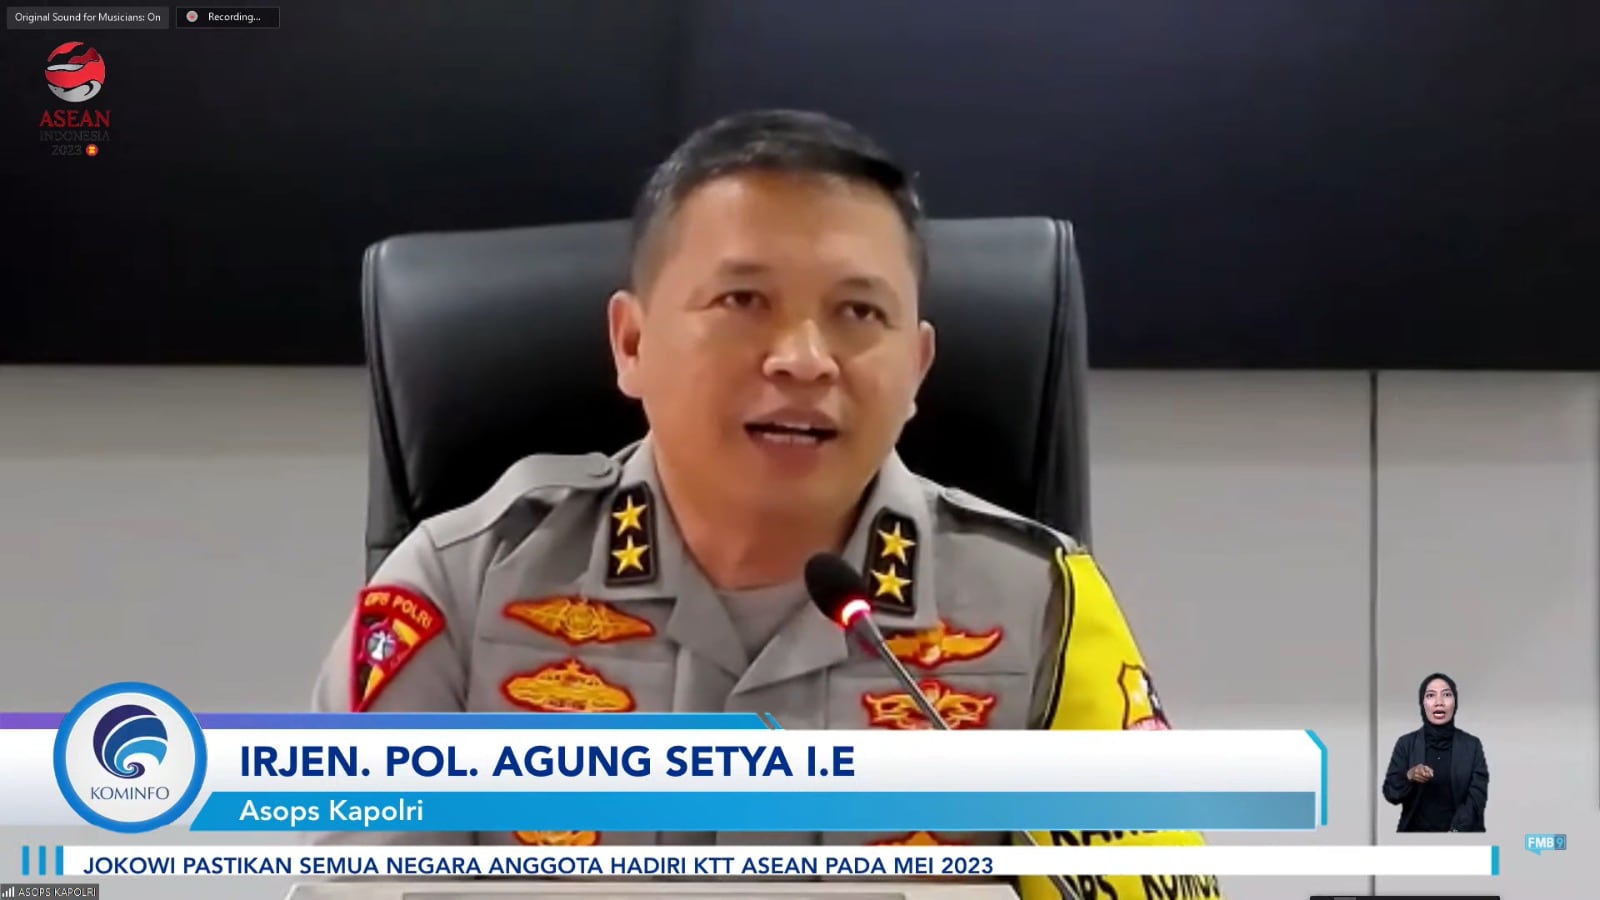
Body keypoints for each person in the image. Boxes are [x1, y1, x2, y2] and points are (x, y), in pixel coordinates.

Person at [311, 108, 1224, 900]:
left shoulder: (1043, 607)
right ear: (631, 343)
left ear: (916, 369)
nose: (803, 359)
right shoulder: (457, 587)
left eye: (859, 313)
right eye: (743, 300)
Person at [1382, 673, 1489, 832]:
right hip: (1415, 838)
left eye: (1446, 695)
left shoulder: (1472, 745)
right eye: (1431, 695)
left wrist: (1454, 833)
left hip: (1461, 837)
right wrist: (1409, 776)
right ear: (1422, 703)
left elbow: (1477, 797)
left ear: (1455, 703)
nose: (1439, 702)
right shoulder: (1406, 744)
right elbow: (1391, 794)